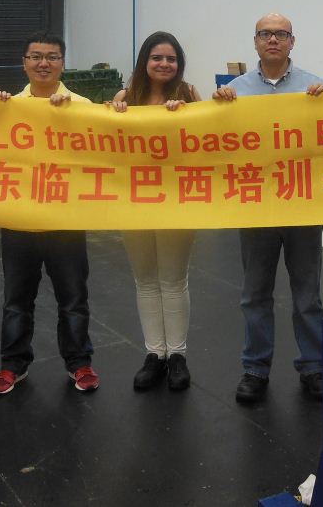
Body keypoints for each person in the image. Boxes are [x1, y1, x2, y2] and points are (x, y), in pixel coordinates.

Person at [212, 14, 323, 405]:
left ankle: (313, 367)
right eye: (266, 34)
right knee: (255, 294)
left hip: (302, 208)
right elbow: (219, 144)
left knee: (308, 295)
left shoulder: (315, 88)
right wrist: (218, 109)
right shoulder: (235, 91)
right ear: (255, 41)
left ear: (292, 41)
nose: (273, 40)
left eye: (281, 34)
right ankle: (255, 369)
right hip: (256, 207)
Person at [0, 32, 100, 396]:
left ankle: (79, 362)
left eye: (51, 57)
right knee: (16, 300)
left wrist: (73, 118)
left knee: (73, 298)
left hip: (66, 220)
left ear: (63, 64)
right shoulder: (7, 106)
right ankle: (12, 365)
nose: (43, 63)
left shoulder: (82, 106)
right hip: (20, 219)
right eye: (35, 56)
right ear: (24, 63)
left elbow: (100, 155)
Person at [110, 31, 201, 391]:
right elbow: (108, 147)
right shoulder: (125, 98)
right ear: (144, 61)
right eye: (157, 58)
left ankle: (177, 355)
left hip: (177, 199)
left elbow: (209, 141)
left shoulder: (189, 94)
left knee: (174, 279)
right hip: (134, 200)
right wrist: (116, 117)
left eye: (171, 59)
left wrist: (188, 117)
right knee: (145, 280)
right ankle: (155, 354)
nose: (164, 64)